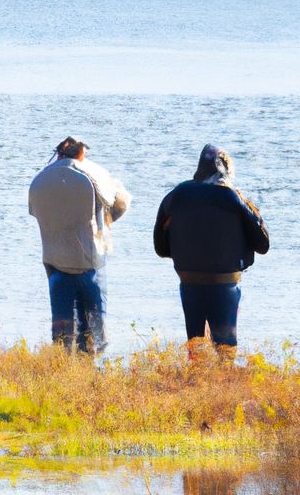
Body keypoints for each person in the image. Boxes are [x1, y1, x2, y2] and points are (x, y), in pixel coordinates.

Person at [154, 144, 268, 352]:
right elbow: (263, 245)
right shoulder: (233, 197)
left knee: (195, 345)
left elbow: (160, 248)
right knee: (226, 346)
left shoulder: (176, 195)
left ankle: (196, 380)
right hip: (225, 282)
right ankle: (223, 379)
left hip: (188, 279)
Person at [28, 136, 130, 354]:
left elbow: (34, 212)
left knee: (62, 330)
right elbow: (121, 203)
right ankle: (91, 362)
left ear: (59, 153)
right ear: (82, 153)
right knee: (93, 330)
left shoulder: (40, 178)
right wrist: (104, 219)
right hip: (89, 262)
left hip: (55, 261)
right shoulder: (93, 173)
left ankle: (63, 362)